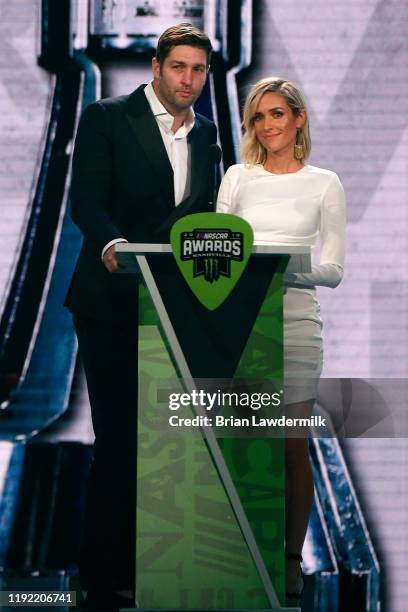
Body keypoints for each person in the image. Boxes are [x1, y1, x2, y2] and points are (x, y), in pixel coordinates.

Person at [65, 23, 218, 611]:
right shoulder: (108, 116)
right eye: (179, 67)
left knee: (166, 442)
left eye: (198, 70)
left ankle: (153, 570)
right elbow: (87, 201)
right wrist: (112, 246)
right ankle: (101, 578)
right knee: (119, 438)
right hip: (110, 302)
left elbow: (202, 214)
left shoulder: (206, 135)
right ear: (156, 67)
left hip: (175, 309)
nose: (188, 79)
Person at [216, 77, 346, 607]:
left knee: (293, 446)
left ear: (298, 119)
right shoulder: (236, 177)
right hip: (241, 328)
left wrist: (281, 270)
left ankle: (290, 560)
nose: (267, 126)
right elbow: (218, 252)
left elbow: (333, 269)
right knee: (244, 447)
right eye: (258, 118)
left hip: (294, 326)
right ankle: (235, 556)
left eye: (277, 114)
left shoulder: (324, 183)